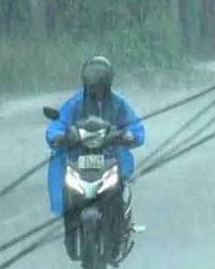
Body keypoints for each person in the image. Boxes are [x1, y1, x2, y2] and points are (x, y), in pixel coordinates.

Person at [45, 56, 145, 217]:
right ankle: (62, 208)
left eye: (100, 86)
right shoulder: (75, 102)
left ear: (108, 84)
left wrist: (130, 135)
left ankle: (121, 210)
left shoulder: (119, 103)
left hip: (110, 156)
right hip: (78, 156)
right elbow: (59, 122)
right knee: (57, 159)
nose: (96, 91)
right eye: (93, 87)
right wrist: (57, 135)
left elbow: (135, 125)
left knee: (123, 169)